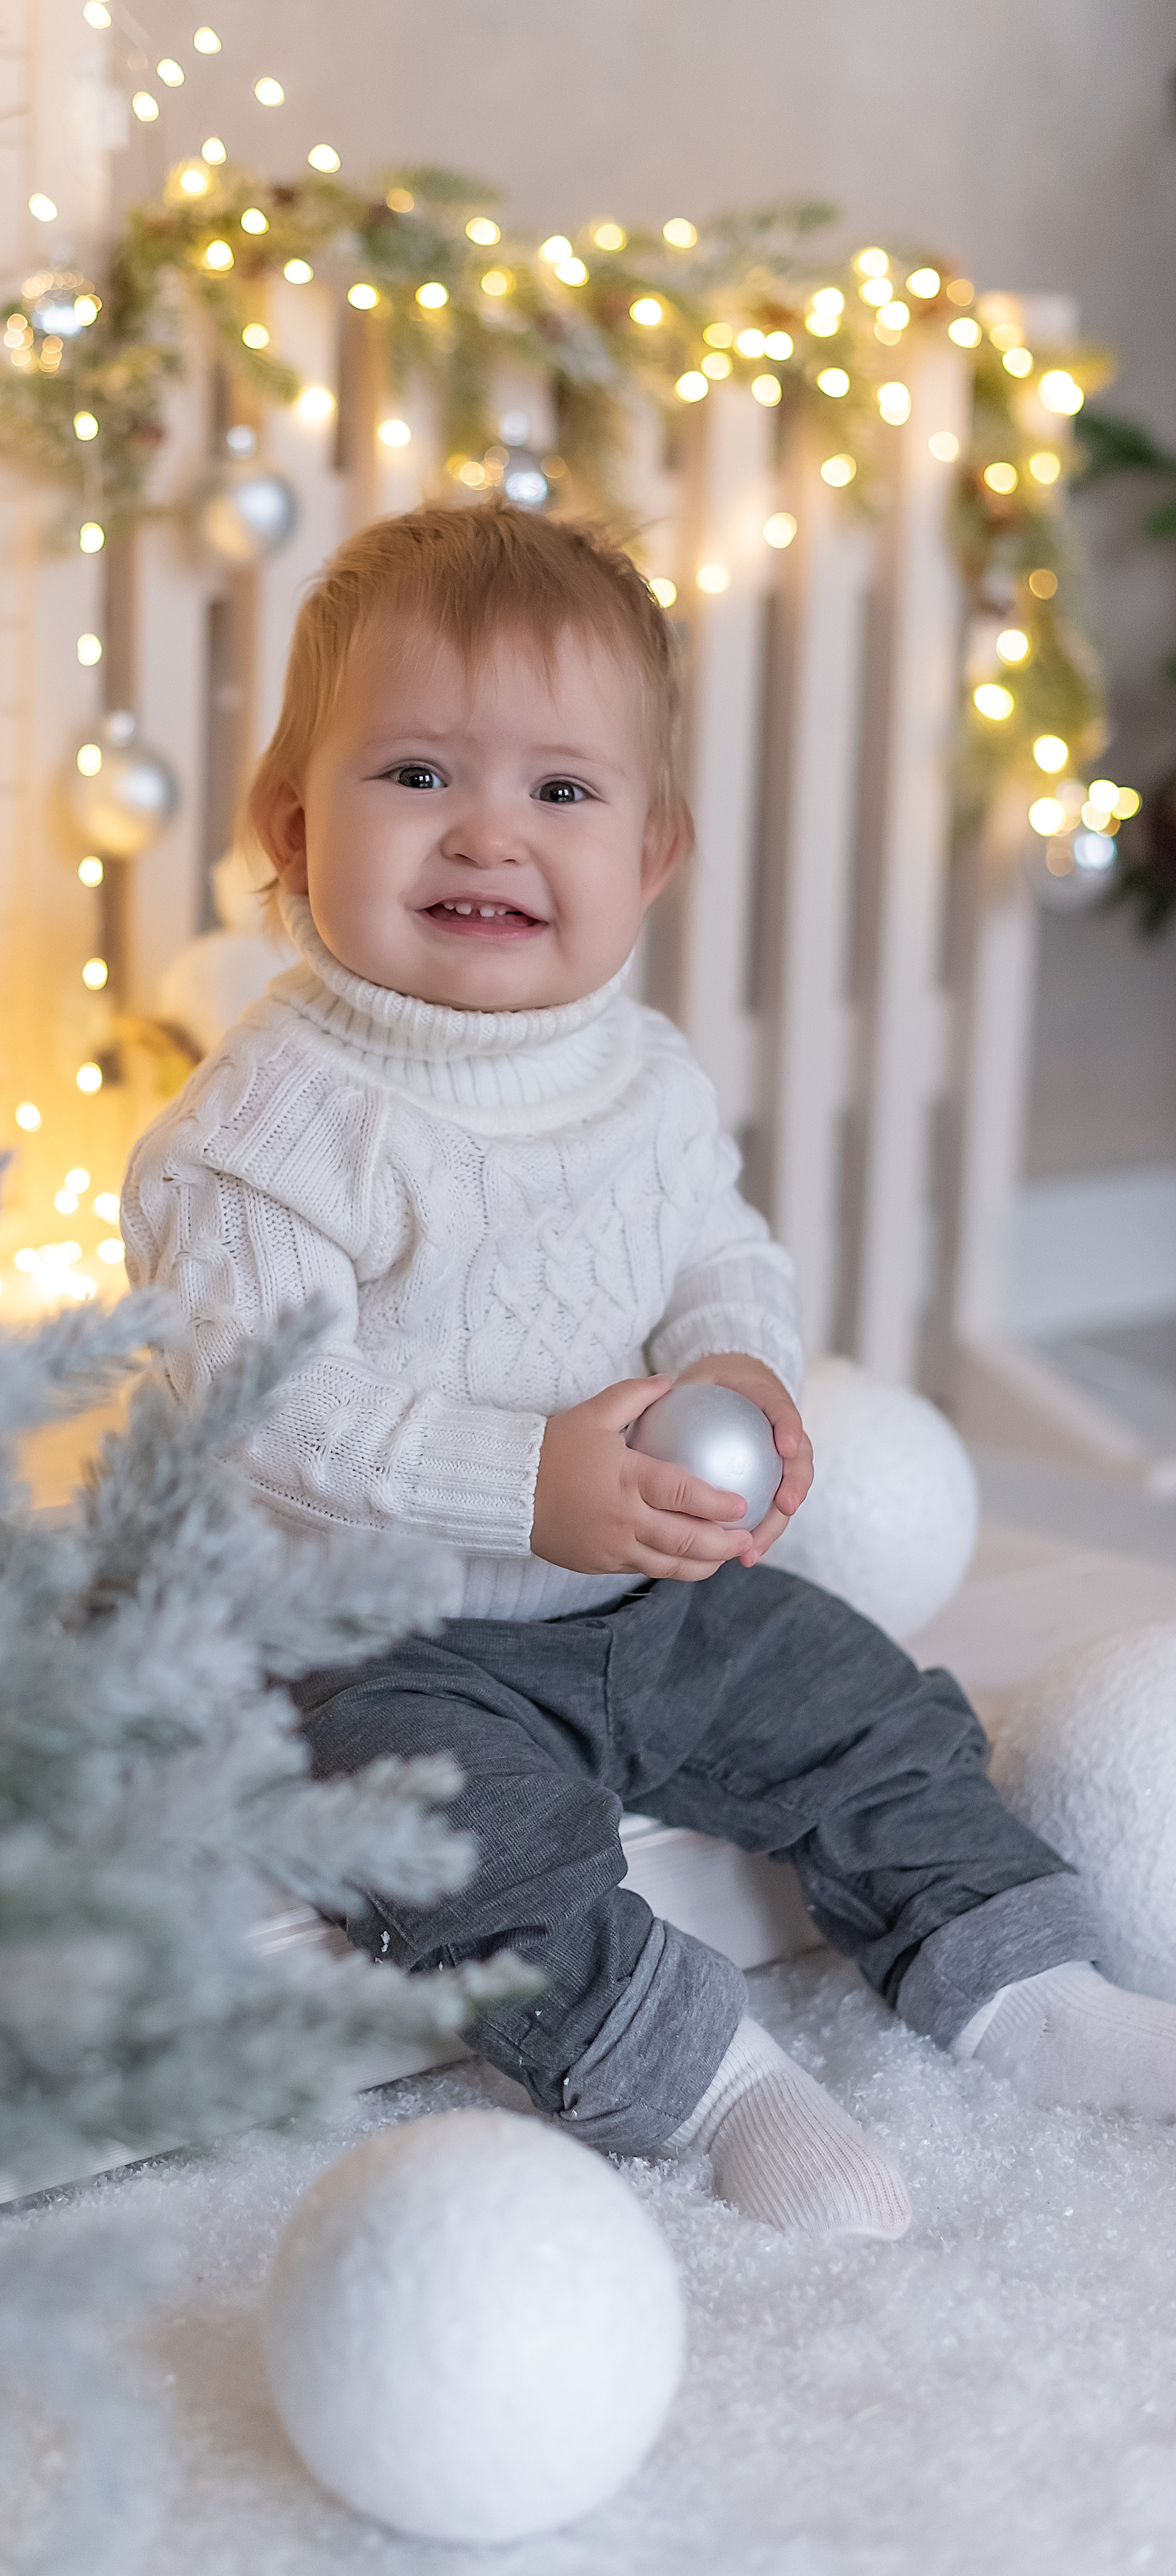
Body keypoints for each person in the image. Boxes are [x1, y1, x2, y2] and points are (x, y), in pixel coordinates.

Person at [122, 501, 1176, 2237]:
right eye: (413, 776)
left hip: (641, 1589)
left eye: (560, 790)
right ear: (291, 823)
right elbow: (264, 1407)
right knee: (457, 1847)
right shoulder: (255, 1136)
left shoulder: (645, 1073)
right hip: (379, 1635)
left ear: (655, 854)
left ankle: (1017, 1980)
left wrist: (740, 1367)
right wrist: (521, 1474)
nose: (487, 829)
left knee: (857, 1690)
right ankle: (704, 2076)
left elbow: (717, 1250)